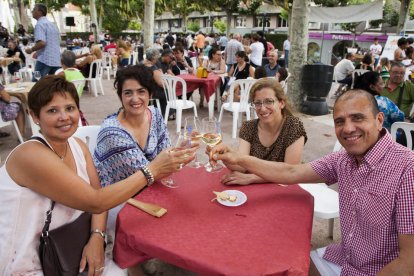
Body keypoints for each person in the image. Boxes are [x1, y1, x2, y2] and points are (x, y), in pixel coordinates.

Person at [0, 75, 194, 275]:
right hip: (27, 260)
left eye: (69, 108)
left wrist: (97, 236)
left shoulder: (77, 146)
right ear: (34, 116)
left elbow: (98, 191)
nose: (64, 117)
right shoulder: (30, 155)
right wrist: (152, 169)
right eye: (52, 110)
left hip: (70, 247)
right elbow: (96, 201)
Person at [211, 89, 414, 275]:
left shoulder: (407, 169)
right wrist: (239, 159)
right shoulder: (343, 159)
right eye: (340, 121)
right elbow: (291, 171)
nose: (348, 128)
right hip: (344, 259)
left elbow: (409, 261)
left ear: (379, 120)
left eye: (358, 118)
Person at [220, 78, 306, 185]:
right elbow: (241, 166)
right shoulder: (249, 127)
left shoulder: (293, 126)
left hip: (283, 189)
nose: (263, 108)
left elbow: (291, 172)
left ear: (281, 103)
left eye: (269, 101)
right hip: (253, 191)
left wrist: (251, 178)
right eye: (257, 103)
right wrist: (224, 156)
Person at [25, 3, 61, 77]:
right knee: (54, 84)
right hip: (56, 60)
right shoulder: (52, 25)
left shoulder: (40, 24)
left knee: (36, 82)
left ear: (40, 12)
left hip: (44, 60)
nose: (32, 11)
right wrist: (37, 52)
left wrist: (31, 50)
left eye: (34, 9)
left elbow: (42, 43)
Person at [143, 48, 168, 118]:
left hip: (143, 90)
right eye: (156, 57)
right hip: (152, 92)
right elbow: (161, 83)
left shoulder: (141, 65)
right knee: (166, 92)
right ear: (153, 58)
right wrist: (167, 85)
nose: (157, 59)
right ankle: (163, 114)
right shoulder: (153, 68)